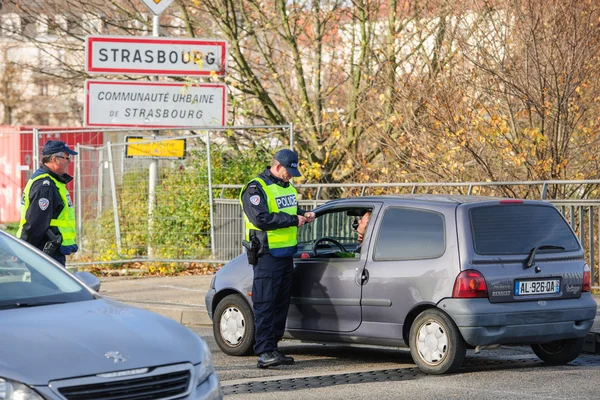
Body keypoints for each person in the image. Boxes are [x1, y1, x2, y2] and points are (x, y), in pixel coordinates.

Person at [240, 149, 316, 369]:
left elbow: (288, 209)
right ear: (278, 166)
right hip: (266, 255)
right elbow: (261, 218)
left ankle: (273, 347)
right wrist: (293, 219)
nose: (291, 176)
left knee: (280, 304)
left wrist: (304, 213)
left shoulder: (286, 187)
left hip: (285, 255)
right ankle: (264, 352)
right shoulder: (256, 188)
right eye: (289, 172)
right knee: (265, 303)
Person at [16, 140, 79, 266]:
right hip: (44, 251)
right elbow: (35, 223)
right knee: (46, 286)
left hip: (47, 250)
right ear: (55, 159)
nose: (69, 161)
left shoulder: (52, 181)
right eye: (67, 157)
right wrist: (23, 249)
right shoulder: (45, 185)